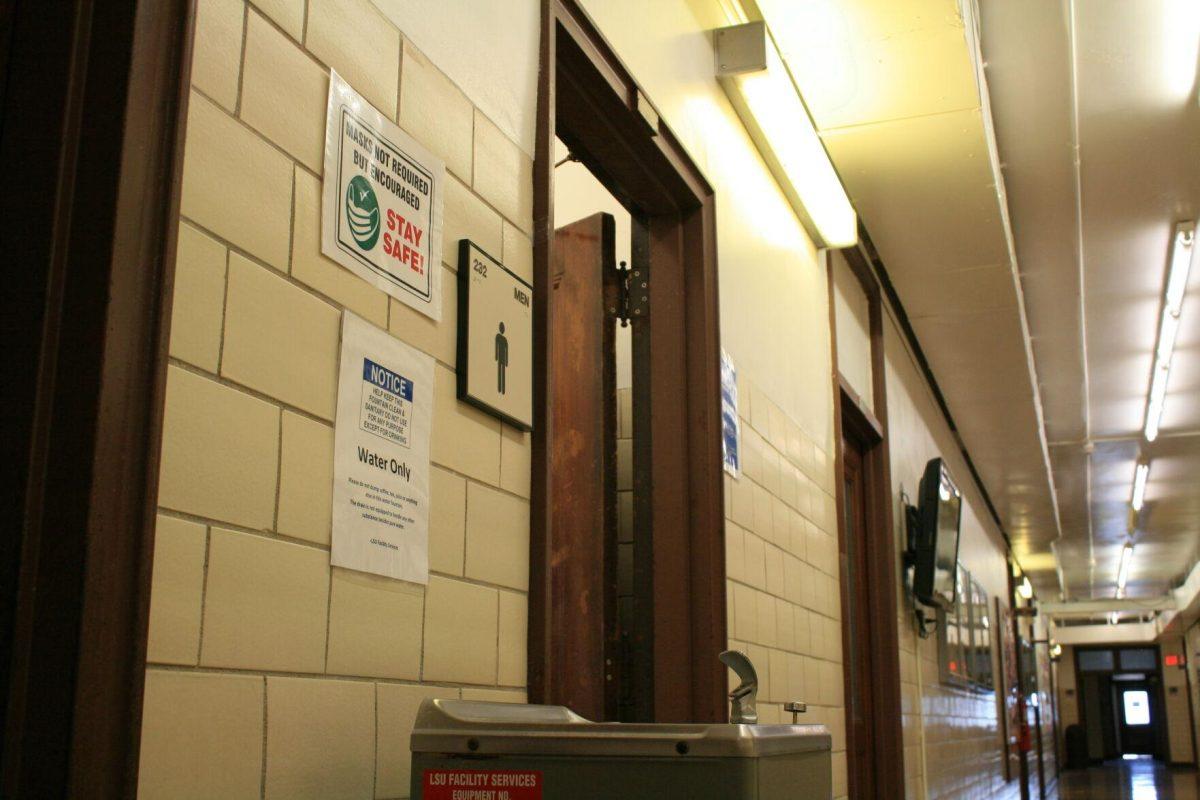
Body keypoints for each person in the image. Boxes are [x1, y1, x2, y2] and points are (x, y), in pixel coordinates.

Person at [495, 321, 508, 394]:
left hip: (502, 357)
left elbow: (507, 351)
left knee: (502, 372)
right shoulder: (498, 336)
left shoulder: (504, 339)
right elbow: (496, 347)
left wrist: (506, 361)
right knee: (500, 371)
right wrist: (496, 356)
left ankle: (503, 389)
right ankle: (499, 388)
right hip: (500, 357)